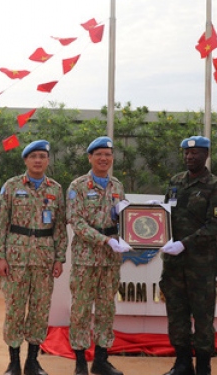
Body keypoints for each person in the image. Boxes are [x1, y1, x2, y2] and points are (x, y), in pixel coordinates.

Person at [0, 140, 68, 375]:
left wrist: (59, 258)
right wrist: (0, 256)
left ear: (47, 160)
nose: (38, 160)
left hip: (44, 259)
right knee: (15, 309)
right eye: (33, 156)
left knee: (39, 310)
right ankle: (14, 362)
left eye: (42, 156)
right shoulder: (12, 185)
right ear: (26, 160)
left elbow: (59, 228)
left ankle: (33, 361)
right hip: (15, 257)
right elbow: (1, 222)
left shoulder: (55, 189)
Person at [159, 136, 217, 375]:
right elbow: (165, 217)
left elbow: (215, 225)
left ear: (206, 154)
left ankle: (203, 366)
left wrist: (184, 244)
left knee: (203, 318)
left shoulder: (215, 185)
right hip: (174, 265)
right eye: (187, 153)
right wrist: (152, 215)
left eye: (195, 153)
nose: (190, 157)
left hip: (202, 266)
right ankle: (182, 363)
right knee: (176, 315)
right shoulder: (175, 181)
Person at [67, 136, 132, 375]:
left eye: (108, 154)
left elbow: (125, 219)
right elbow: (77, 222)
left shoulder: (117, 186)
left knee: (106, 309)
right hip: (87, 257)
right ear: (90, 158)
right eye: (99, 154)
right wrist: (104, 240)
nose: (104, 158)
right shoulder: (78, 186)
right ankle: (81, 361)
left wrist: (144, 215)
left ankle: (101, 360)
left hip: (111, 259)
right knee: (81, 309)